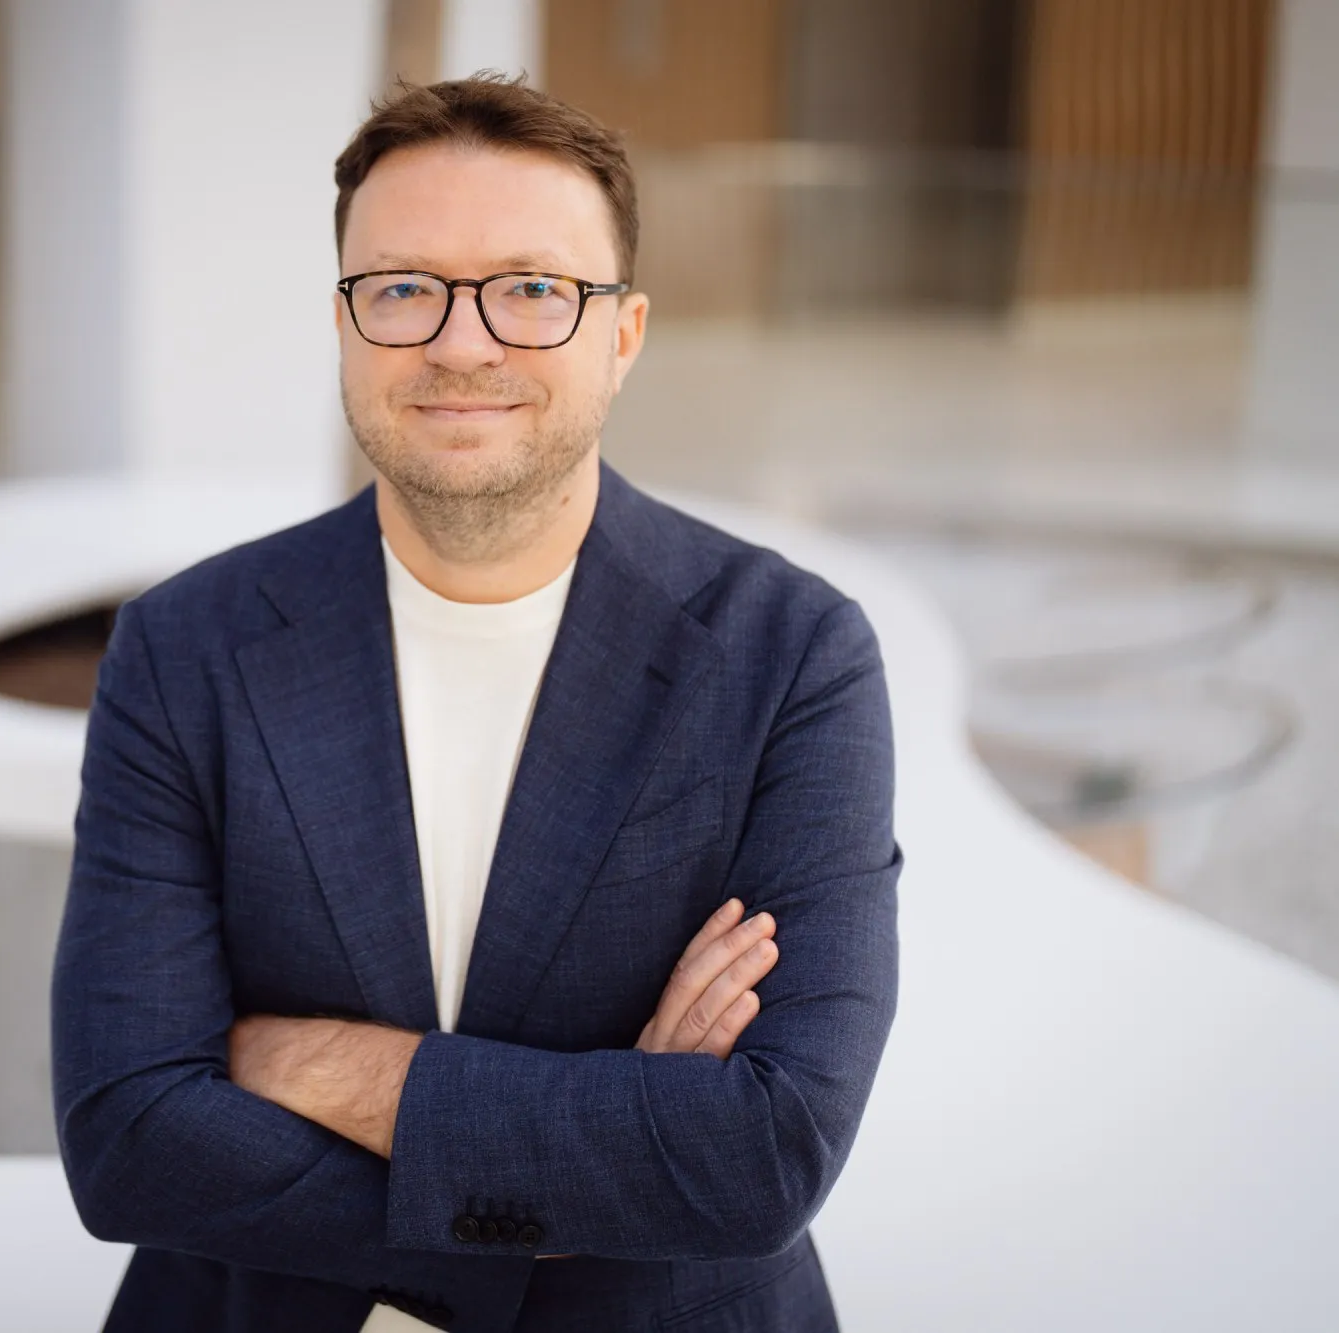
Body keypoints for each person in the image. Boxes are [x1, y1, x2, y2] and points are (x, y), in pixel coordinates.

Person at [51, 74, 901, 1333]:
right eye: (400, 288)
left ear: (621, 333)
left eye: (531, 290)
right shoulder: (185, 648)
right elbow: (127, 1135)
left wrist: (314, 1063)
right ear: (343, 326)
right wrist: (600, 1167)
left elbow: (762, 1152)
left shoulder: (791, 655)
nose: (460, 342)